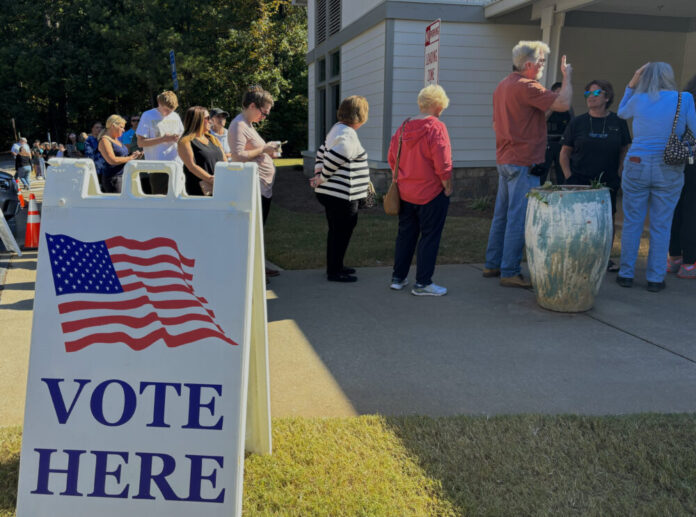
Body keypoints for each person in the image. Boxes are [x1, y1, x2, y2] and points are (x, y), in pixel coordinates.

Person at [483, 40, 572, 288]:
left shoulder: (503, 86)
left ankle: (493, 264)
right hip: (523, 161)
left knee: (501, 215)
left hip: (505, 158)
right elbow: (564, 103)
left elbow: (502, 122)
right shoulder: (528, 86)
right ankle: (510, 271)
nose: (544, 65)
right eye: (542, 61)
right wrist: (567, 77)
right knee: (518, 217)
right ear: (529, 64)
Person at [616, 62, 696, 292]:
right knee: (662, 224)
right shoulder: (684, 99)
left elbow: (622, 112)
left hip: (637, 163)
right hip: (668, 166)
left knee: (632, 221)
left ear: (643, 77)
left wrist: (631, 84)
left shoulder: (638, 99)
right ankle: (655, 278)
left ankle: (626, 274)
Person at [387, 85, 453, 296]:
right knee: (429, 237)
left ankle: (398, 278)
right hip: (431, 193)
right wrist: (448, 187)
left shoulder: (404, 126)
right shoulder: (436, 127)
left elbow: (391, 158)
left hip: (405, 192)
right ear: (438, 105)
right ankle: (423, 283)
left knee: (405, 235)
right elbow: (443, 164)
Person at [560, 79, 631, 272]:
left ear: (607, 97)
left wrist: (619, 170)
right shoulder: (578, 123)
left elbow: (625, 148)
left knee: (606, 221)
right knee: (579, 220)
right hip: (579, 181)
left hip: (607, 182)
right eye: (587, 94)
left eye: (596, 93)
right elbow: (565, 152)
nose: (590, 97)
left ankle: (603, 258)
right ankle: (578, 256)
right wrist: (569, 177)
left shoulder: (618, 122)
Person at [310, 96, 369, 283]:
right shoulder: (347, 134)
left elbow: (321, 151)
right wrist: (323, 176)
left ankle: (336, 266)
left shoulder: (337, 129)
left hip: (333, 193)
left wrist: (320, 172)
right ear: (360, 115)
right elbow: (339, 153)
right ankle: (334, 272)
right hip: (342, 194)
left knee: (337, 231)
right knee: (341, 231)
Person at [228, 85, 281, 278]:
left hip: (262, 186)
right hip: (253, 187)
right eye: (264, 113)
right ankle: (253, 275)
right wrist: (264, 150)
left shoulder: (247, 125)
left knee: (258, 231)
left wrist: (268, 153)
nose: (264, 117)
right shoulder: (238, 125)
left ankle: (258, 268)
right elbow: (237, 156)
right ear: (252, 105)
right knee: (252, 232)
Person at [668, 74, 696, 279]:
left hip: (680, 160)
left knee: (677, 208)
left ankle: (675, 257)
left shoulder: (684, 103)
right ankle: (690, 263)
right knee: (692, 211)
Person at [136, 91, 184, 194]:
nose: (168, 113)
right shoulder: (148, 115)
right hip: (158, 167)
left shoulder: (175, 116)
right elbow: (140, 143)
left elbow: (182, 137)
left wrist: (178, 138)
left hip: (176, 165)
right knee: (160, 201)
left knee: (177, 201)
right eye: (166, 110)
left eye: (171, 111)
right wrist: (163, 139)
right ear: (159, 102)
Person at [177, 106, 225, 196]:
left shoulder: (212, 138)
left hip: (220, 188)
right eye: (207, 118)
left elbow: (224, 159)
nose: (211, 121)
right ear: (197, 120)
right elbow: (192, 166)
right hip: (200, 192)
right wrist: (211, 179)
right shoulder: (185, 141)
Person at [98, 114, 143, 193]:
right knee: (117, 204)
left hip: (123, 176)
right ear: (113, 126)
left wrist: (135, 156)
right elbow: (112, 160)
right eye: (121, 127)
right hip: (113, 179)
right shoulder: (104, 140)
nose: (123, 130)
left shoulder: (116, 140)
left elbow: (123, 157)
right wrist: (131, 157)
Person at [543, 82, 573, 184]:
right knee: (542, 173)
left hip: (562, 143)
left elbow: (572, 124)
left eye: (562, 93)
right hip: (546, 143)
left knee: (561, 173)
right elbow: (541, 120)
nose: (560, 96)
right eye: (558, 93)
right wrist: (553, 107)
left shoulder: (568, 108)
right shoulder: (546, 105)